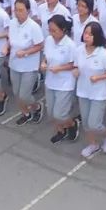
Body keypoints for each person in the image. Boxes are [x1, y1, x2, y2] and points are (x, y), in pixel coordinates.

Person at [76, 21, 106, 158]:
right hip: (83, 91)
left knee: (94, 123)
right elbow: (76, 66)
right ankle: (93, 144)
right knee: (87, 123)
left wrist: (99, 77)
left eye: (90, 34)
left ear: (97, 37)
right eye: (86, 33)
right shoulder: (79, 50)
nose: (87, 36)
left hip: (98, 94)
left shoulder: (103, 54)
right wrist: (76, 71)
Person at [43, 15, 80, 144]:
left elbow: (73, 64)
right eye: (50, 30)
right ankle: (60, 130)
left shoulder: (70, 45)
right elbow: (46, 56)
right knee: (51, 112)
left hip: (64, 83)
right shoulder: (48, 40)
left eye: (54, 31)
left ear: (63, 30)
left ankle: (71, 124)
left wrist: (60, 68)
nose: (51, 33)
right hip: (50, 81)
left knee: (60, 114)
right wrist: (44, 62)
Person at [9, 0, 46, 125]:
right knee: (16, 92)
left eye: (21, 10)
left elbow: (40, 45)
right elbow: (11, 40)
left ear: (28, 11)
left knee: (24, 95)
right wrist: (6, 47)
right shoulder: (12, 23)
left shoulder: (33, 27)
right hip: (14, 63)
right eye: (16, 10)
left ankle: (36, 107)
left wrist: (25, 52)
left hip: (29, 66)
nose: (17, 13)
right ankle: (25, 113)